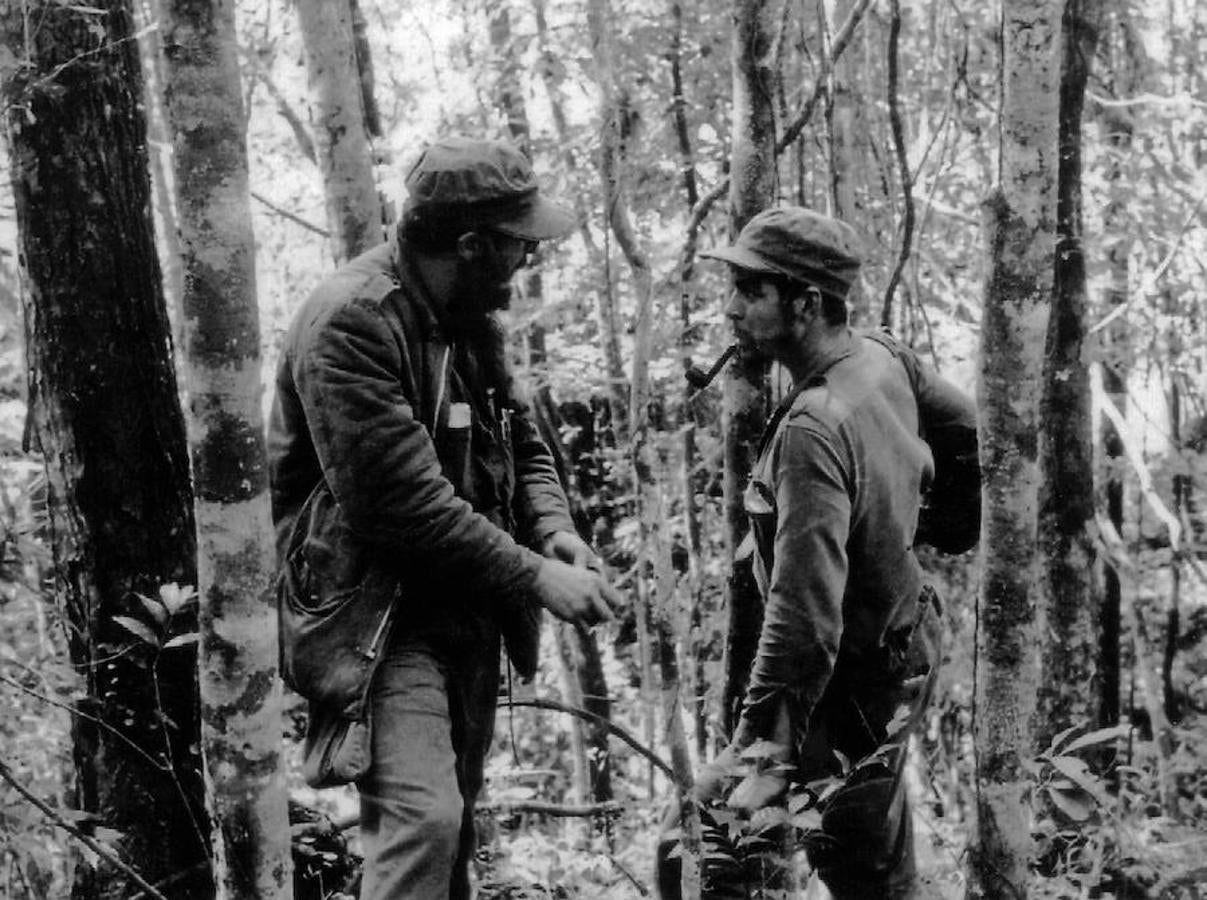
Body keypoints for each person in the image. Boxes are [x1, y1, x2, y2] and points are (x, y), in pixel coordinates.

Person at [268, 136, 622, 900]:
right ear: (470, 245)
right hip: (373, 617)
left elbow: (521, 441)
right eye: (518, 246)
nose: (527, 262)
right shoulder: (351, 323)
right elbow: (399, 506)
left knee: (454, 827)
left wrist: (553, 528)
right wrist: (536, 577)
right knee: (423, 819)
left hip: (462, 604)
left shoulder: (468, 316)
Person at [680, 206, 978, 898]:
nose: (729, 309)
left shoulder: (813, 429)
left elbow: (804, 613)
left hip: (847, 684)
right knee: (871, 860)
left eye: (750, 291)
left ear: (807, 304)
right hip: (901, 644)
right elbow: (964, 425)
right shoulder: (879, 355)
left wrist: (757, 746)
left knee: (719, 835)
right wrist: (945, 524)